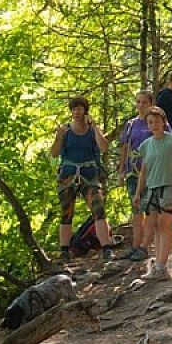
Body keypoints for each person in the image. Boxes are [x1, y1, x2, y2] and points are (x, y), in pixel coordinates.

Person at [50, 96, 113, 260]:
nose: (77, 112)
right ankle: (64, 249)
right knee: (66, 211)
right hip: (68, 175)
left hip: (89, 174)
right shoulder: (66, 131)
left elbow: (104, 147)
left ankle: (106, 246)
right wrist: (59, 137)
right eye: (74, 109)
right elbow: (54, 153)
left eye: (80, 109)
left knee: (98, 209)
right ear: (71, 112)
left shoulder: (92, 130)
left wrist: (96, 128)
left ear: (85, 111)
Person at [132, 106, 172, 281]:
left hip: (169, 186)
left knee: (164, 224)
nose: (154, 125)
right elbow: (144, 171)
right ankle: (158, 265)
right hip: (152, 189)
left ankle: (162, 267)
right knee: (155, 225)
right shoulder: (146, 145)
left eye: (157, 121)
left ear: (164, 122)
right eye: (150, 122)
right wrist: (138, 193)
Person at [118, 90, 155, 263]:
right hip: (133, 170)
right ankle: (135, 245)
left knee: (150, 208)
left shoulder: (156, 122)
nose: (141, 106)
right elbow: (124, 147)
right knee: (136, 208)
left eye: (144, 102)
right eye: (138, 102)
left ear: (151, 104)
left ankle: (145, 247)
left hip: (152, 170)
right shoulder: (131, 124)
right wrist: (121, 170)